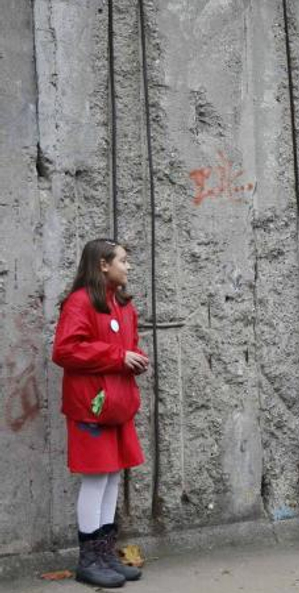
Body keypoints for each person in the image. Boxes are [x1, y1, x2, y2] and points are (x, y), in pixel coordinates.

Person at [52, 239, 149, 588]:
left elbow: (128, 345)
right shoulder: (80, 302)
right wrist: (116, 356)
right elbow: (65, 350)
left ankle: (106, 554)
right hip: (90, 407)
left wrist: (133, 357)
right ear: (103, 265)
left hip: (116, 405)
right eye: (123, 260)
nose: (129, 266)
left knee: (111, 476)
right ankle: (88, 559)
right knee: (95, 478)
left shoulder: (121, 304)